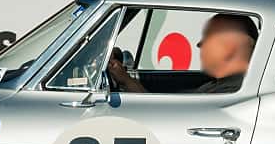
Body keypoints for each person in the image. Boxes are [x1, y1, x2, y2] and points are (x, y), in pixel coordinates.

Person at [107, 13, 256, 94]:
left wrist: (125, 80)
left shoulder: (229, 92)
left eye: (209, 37)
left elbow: (164, 117)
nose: (199, 44)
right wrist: (126, 79)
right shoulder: (221, 85)